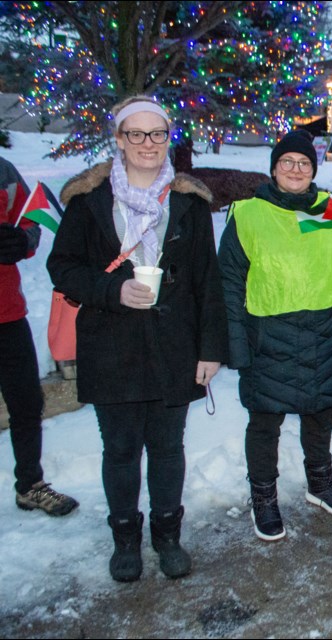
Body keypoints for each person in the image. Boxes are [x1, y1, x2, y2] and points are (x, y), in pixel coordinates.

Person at [48, 96, 227, 581]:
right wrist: (113, 288)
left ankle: (167, 536)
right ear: (120, 140)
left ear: (168, 139)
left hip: (174, 348)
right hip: (112, 347)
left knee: (169, 449)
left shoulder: (189, 202)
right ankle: (125, 537)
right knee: (121, 450)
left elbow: (207, 281)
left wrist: (211, 349)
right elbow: (60, 267)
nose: (148, 144)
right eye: (136, 134)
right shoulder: (89, 202)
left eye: (158, 134)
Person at [219, 129, 332, 541]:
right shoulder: (248, 214)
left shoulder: (326, 210)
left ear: (313, 170)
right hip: (268, 335)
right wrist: (236, 344)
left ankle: (320, 483)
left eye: (304, 163)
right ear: (274, 168)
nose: (296, 170)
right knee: (265, 424)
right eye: (287, 163)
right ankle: (263, 497)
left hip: (321, 332)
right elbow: (228, 284)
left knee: (319, 416)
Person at [1, 156, 78, 517]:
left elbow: (29, 221)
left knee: (27, 403)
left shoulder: (3, 171)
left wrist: (20, 240)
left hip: (7, 313)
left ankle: (30, 485)